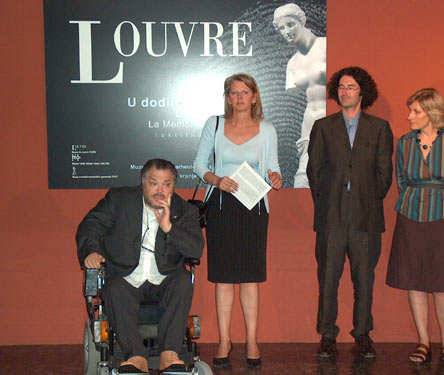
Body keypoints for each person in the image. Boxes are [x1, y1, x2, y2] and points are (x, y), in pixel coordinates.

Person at [76, 159, 204, 374]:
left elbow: (195, 250)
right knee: (114, 287)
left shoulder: (185, 211)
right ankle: (136, 356)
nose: (160, 190)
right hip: (126, 278)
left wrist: (169, 228)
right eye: (154, 183)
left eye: (167, 184)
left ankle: (169, 354)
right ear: (143, 182)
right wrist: (91, 251)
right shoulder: (119, 200)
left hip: (165, 280)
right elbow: (90, 225)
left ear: (174, 185)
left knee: (183, 281)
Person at [193, 73, 282, 369]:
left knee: (250, 277)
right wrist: (217, 180)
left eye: (245, 92)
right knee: (223, 278)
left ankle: (252, 340)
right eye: (234, 93)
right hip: (221, 206)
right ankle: (224, 339)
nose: (239, 97)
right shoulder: (214, 124)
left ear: (254, 97)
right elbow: (198, 165)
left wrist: (276, 178)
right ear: (227, 97)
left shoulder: (267, 129)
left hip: (254, 206)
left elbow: (273, 168)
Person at [307, 67, 393, 359]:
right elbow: (314, 172)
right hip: (330, 217)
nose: (345, 91)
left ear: (362, 92)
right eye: (341, 87)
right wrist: (328, 201)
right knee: (328, 280)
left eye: (351, 87)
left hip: (366, 217)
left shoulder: (379, 127)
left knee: (364, 281)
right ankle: (327, 335)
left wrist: (365, 198)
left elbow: (384, 175)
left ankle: (363, 335)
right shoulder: (323, 126)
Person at [386, 88, 444, 368]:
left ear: (432, 113)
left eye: (416, 111)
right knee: (414, 279)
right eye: (410, 110)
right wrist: (412, 200)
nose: (409, 116)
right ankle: (423, 341)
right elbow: (401, 180)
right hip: (410, 215)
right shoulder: (405, 142)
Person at [273, 3, 326, 187]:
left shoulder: (326, 45)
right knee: (303, 179)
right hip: (310, 122)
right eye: (281, 28)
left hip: (333, 120)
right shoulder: (292, 64)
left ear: (301, 21)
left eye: (290, 24)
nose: (287, 31)